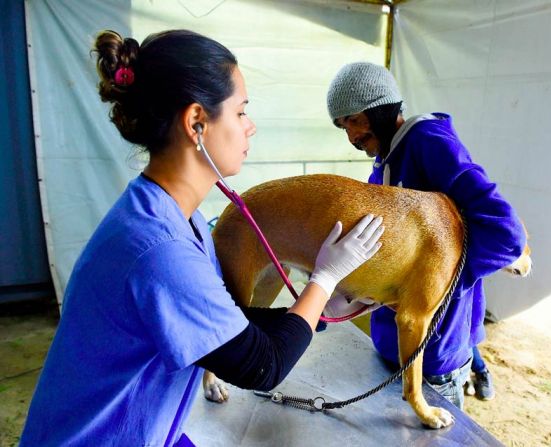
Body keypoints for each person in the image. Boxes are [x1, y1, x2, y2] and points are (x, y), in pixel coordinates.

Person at [20, 30, 384, 446]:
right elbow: (261, 366)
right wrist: (325, 278)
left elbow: (222, 329)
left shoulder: (170, 216)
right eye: (241, 112)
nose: (250, 128)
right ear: (196, 123)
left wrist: (323, 310)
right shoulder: (161, 250)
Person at [326, 62, 526, 410]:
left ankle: (476, 371)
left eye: (354, 120)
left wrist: (431, 280)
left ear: (380, 106)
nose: (351, 137)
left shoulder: (428, 141)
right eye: (344, 126)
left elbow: (504, 232)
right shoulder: (384, 161)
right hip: (392, 349)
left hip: (434, 361)